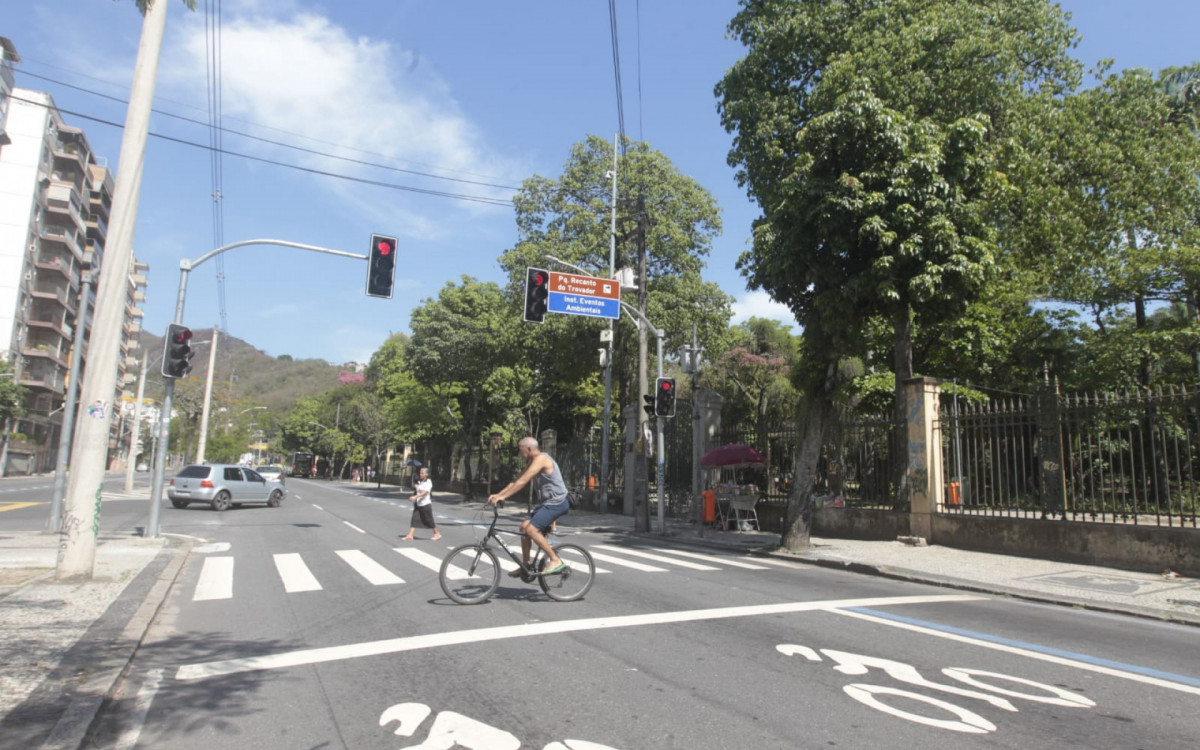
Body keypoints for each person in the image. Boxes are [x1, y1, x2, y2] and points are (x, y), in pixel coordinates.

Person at [487, 437, 569, 576]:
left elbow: (524, 481)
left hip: (557, 503)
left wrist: (504, 497)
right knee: (523, 527)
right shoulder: (532, 461)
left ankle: (555, 560)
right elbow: (516, 480)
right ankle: (527, 566)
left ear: (529, 449)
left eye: (521, 451)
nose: (520, 454)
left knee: (531, 530)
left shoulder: (542, 459)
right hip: (546, 504)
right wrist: (498, 495)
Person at [401, 468, 441, 541]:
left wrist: (415, 496)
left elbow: (425, 492)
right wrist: (416, 487)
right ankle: (410, 535)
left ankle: (437, 533)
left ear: (427, 474)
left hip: (425, 504)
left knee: (429, 520)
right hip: (418, 503)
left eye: (422, 473)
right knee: (414, 519)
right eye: (420, 473)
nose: (420, 474)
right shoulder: (421, 482)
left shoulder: (428, 482)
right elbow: (419, 490)